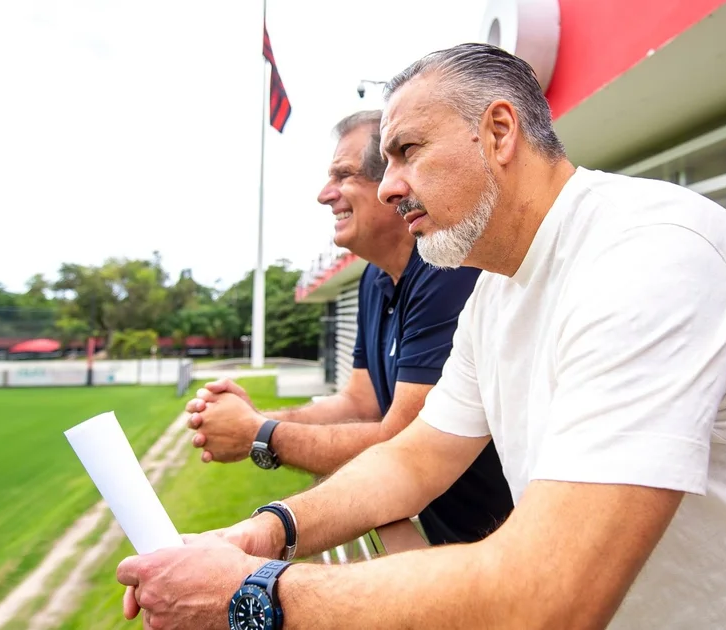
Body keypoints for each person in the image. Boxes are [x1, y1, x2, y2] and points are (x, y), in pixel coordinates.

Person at [116, 43, 726, 629]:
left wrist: (251, 593)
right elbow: (414, 460)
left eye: (406, 151)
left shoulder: (650, 257)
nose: (387, 184)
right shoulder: (498, 286)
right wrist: (259, 534)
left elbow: (546, 595)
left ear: (498, 132)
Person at [183, 109, 513, 547]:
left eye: (343, 175)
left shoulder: (447, 272)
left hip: (501, 552)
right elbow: (360, 401)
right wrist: (258, 420)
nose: (325, 195)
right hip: (449, 542)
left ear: (393, 186)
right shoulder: (374, 279)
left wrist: (258, 435)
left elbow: (400, 440)